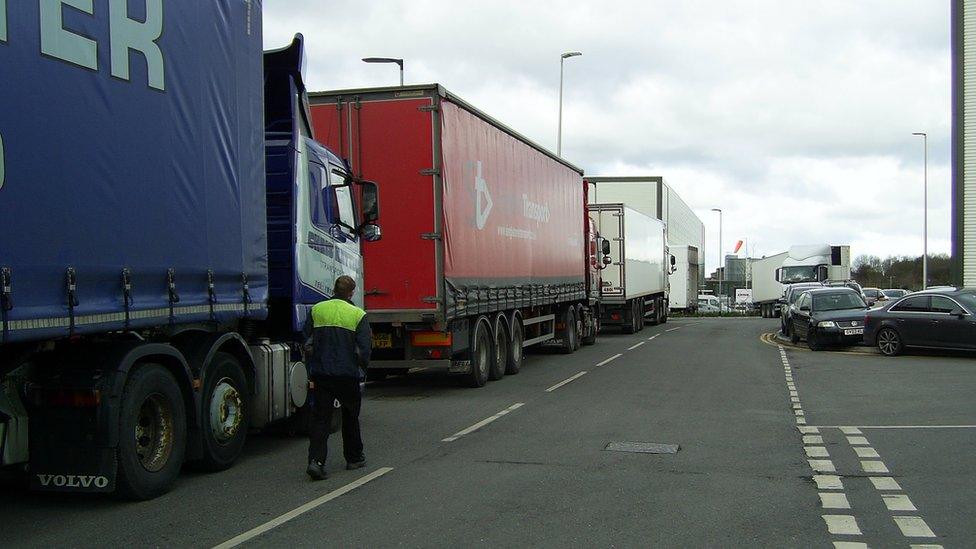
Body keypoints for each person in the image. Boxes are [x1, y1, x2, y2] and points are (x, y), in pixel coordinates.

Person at [304, 275, 371, 480]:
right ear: (351, 293)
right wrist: (362, 369)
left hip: (322, 373)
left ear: (333, 290)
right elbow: (363, 350)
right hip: (347, 374)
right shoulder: (358, 314)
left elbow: (308, 341)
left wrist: (312, 368)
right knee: (350, 416)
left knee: (321, 419)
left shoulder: (317, 309)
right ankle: (354, 457)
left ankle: (316, 462)